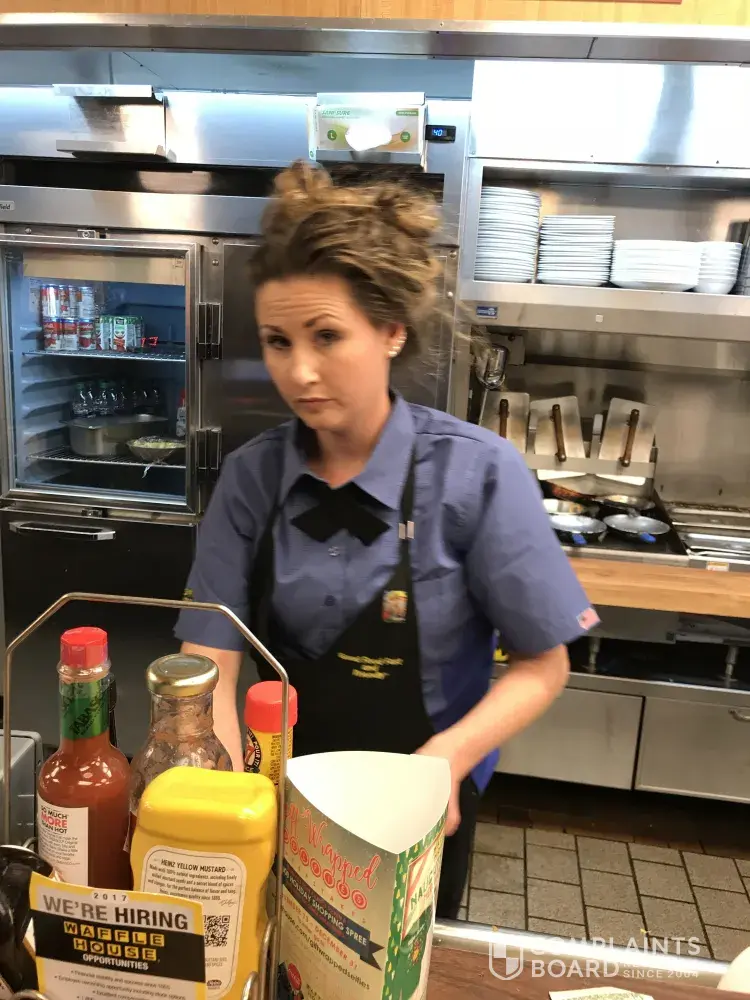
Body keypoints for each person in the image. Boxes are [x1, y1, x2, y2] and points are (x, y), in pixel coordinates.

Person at [175, 161, 598, 919]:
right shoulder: (250, 478)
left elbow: (544, 663)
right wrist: (233, 797)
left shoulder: (477, 474)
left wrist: (446, 762)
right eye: (277, 341)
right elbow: (211, 666)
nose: (300, 371)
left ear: (392, 330)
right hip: (276, 789)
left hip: (420, 796)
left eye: (327, 336)